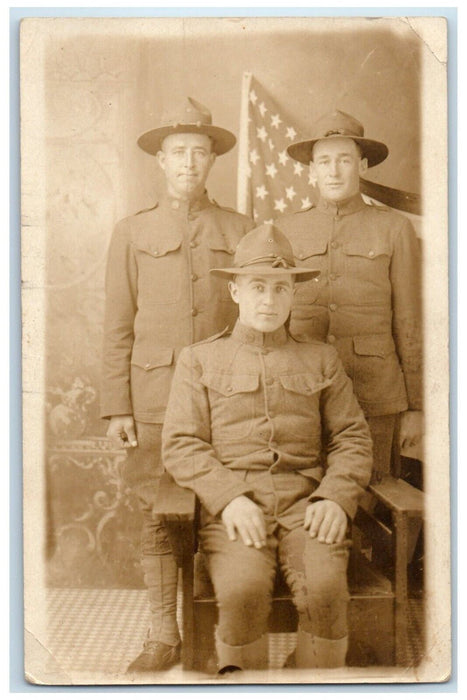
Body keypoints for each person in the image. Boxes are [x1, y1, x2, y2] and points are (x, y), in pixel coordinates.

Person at [161, 224, 373, 672]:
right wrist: (229, 498)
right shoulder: (199, 359)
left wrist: (336, 497)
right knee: (241, 594)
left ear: (293, 295)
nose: (269, 300)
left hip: (307, 504)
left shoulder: (321, 358)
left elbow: (352, 438)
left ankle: (312, 681)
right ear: (235, 291)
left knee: (327, 594)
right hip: (236, 507)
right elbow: (182, 443)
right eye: (257, 287)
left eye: (280, 289)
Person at [100, 97, 253, 673]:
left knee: (222, 507)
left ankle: (221, 635)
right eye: (178, 152)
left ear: (212, 159)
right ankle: (163, 634)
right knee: (161, 515)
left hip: (226, 399)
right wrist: (119, 408)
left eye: (200, 151)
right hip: (155, 399)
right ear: (161, 161)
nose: (189, 162)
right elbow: (117, 326)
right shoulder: (131, 231)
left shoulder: (241, 229)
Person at [277, 110, 423, 481]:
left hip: (375, 394)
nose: (334, 170)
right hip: (304, 393)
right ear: (311, 170)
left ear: (363, 164)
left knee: (372, 504)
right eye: (324, 161)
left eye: (344, 160)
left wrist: (415, 406)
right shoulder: (286, 229)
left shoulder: (394, 229)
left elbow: (410, 322)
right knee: (307, 503)